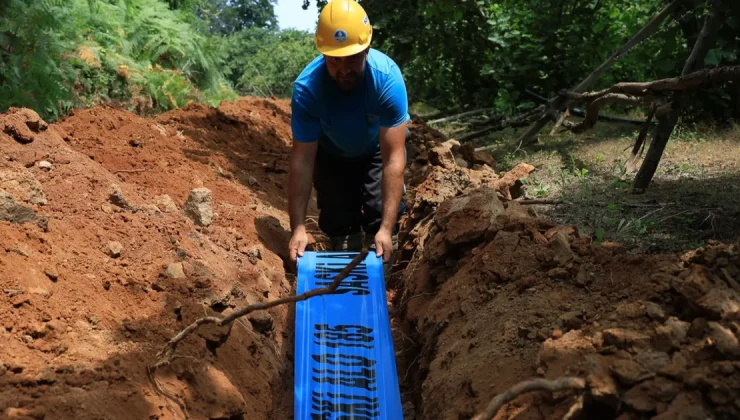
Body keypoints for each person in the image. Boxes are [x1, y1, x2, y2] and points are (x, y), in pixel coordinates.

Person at [287, 0, 409, 271]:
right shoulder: (308, 89)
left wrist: (387, 230)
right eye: (334, 60)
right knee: (339, 220)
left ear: (366, 49)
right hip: (331, 153)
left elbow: (393, 159)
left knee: (381, 213)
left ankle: (385, 267)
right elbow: (303, 161)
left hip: (377, 149)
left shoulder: (387, 80)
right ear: (323, 55)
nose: (344, 68)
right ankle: (344, 264)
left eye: (352, 58)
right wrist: (297, 227)